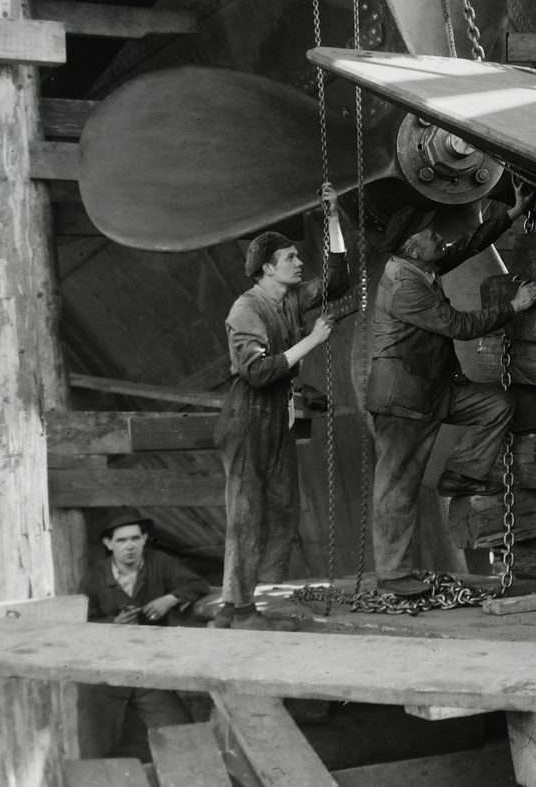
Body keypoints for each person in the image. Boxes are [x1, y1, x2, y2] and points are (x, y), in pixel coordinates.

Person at [366, 194, 536, 596]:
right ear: (413, 247)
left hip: (434, 388)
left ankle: (462, 475)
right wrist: (513, 307)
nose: (438, 236)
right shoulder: (404, 286)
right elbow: (458, 325)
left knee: (496, 404)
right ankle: (393, 576)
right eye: (430, 233)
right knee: (397, 489)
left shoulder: (420, 264)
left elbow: (466, 245)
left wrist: (512, 214)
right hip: (403, 401)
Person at [214, 185, 348, 630]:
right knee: (247, 516)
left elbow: (335, 281)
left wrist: (331, 220)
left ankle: (241, 607)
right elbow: (256, 373)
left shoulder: (288, 298)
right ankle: (238, 610)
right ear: (267, 269)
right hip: (248, 415)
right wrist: (312, 340)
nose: (298, 262)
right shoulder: (245, 310)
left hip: (275, 416)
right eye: (290, 258)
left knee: (284, 511)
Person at [77, 511, 209, 757]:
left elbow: (198, 584)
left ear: (144, 538)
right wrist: (113, 622)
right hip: (104, 677)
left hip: (146, 672)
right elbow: (80, 625)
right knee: (95, 749)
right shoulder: (94, 576)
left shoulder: (159, 562)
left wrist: (168, 600)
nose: (130, 546)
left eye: (135, 538)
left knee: (183, 735)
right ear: (108, 544)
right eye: (121, 540)